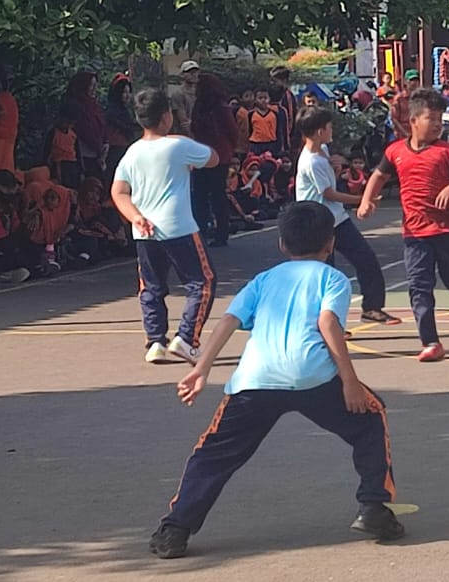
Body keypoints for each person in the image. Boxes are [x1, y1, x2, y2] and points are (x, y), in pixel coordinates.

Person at [147, 202, 403, 560]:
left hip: (257, 379)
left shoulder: (264, 280)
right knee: (370, 420)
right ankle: (374, 506)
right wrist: (350, 381)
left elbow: (227, 322)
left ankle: (176, 528)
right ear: (330, 244)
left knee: (214, 454)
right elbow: (328, 324)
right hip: (314, 376)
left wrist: (201, 368)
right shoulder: (332, 279)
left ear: (282, 244)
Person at [357, 88, 449, 363]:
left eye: (440, 119)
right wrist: (366, 201)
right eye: (431, 118)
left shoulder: (447, 152)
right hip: (415, 234)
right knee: (419, 286)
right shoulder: (394, 152)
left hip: (448, 230)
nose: (438, 124)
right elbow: (378, 176)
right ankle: (431, 342)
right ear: (414, 121)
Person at [111, 88, 220, 365]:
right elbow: (213, 158)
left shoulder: (132, 152)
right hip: (178, 225)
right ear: (165, 116)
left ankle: (155, 341)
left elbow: (119, 191)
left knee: (151, 286)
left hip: (144, 230)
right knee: (202, 282)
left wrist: (134, 216)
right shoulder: (178, 145)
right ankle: (186, 338)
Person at [295, 106, 400, 325]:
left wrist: (335, 167)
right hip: (318, 222)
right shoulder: (310, 161)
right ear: (318, 131)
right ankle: (326, 323)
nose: (331, 130)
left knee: (366, 260)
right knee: (327, 274)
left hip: (336, 218)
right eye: (328, 127)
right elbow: (329, 193)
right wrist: (363, 200)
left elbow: (329, 183)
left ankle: (372, 308)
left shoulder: (322, 149)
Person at [190, 74, 239, 247]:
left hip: (201, 155)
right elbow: (233, 132)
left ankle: (201, 231)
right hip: (220, 155)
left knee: (200, 195)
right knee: (218, 195)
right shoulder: (222, 108)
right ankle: (221, 233)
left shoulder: (199, 107)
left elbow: (193, 128)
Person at [0, 170, 37, 284]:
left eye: (12, 186)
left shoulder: (9, 208)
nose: (11, 190)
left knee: (32, 249)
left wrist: (28, 218)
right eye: (6, 187)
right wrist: (24, 223)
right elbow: (2, 242)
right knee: (19, 257)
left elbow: (18, 233)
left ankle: (3, 274)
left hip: (0, 249)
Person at [64, 70, 107, 182]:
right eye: (91, 85)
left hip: (97, 154)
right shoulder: (74, 106)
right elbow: (82, 130)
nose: (94, 89)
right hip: (81, 155)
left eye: (95, 85)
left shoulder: (94, 106)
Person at [104, 73, 135, 181]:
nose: (127, 95)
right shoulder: (111, 111)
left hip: (123, 147)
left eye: (128, 92)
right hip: (114, 149)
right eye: (124, 92)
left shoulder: (125, 111)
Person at [237, 87, 284, 157]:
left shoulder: (275, 114)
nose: (263, 100)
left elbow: (278, 131)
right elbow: (249, 130)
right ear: (255, 100)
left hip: (271, 144)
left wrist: (279, 147)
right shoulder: (251, 114)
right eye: (260, 98)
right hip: (255, 144)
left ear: (269, 99)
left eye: (265, 98)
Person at [44, 106, 80, 189]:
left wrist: (81, 169)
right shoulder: (52, 133)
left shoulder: (73, 134)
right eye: (66, 122)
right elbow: (46, 153)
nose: (67, 126)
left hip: (72, 166)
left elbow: (78, 152)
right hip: (58, 165)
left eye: (71, 124)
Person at [169, 60, 201, 135]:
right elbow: (183, 121)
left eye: (195, 72)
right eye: (190, 72)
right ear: (182, 74)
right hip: (184, 135)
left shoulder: (201, 92)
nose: (193, 74)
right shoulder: (178, 94)